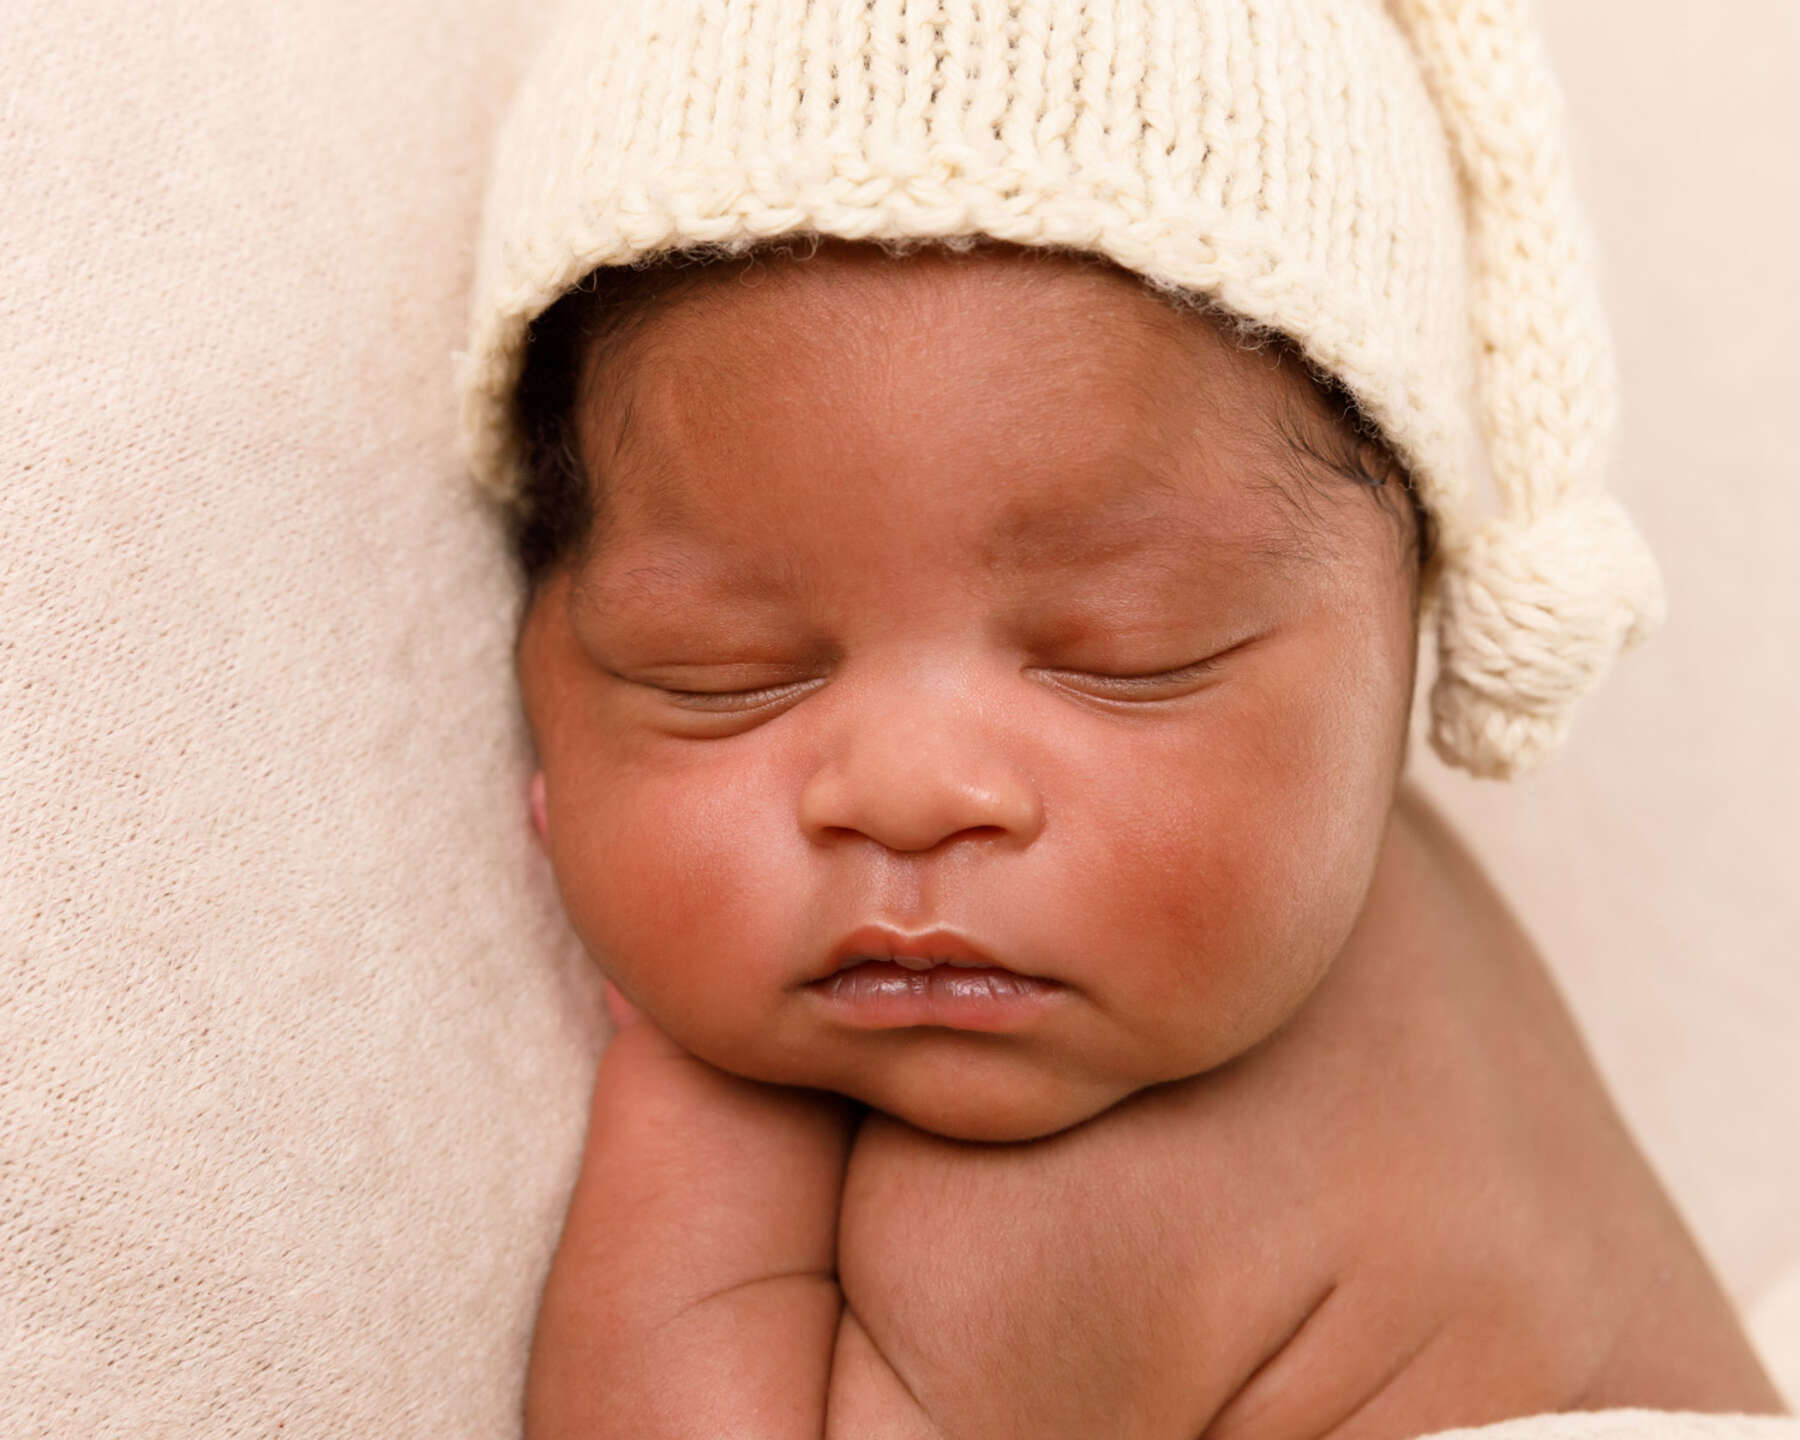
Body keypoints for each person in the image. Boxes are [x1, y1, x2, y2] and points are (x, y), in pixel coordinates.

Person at [457, 1, 1789, 1435]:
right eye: (720, 673)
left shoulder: (1052, 1221)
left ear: (1410, 648)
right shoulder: (1328, 894)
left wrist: (692, 1113)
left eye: (1129, 658)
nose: (910, 794)